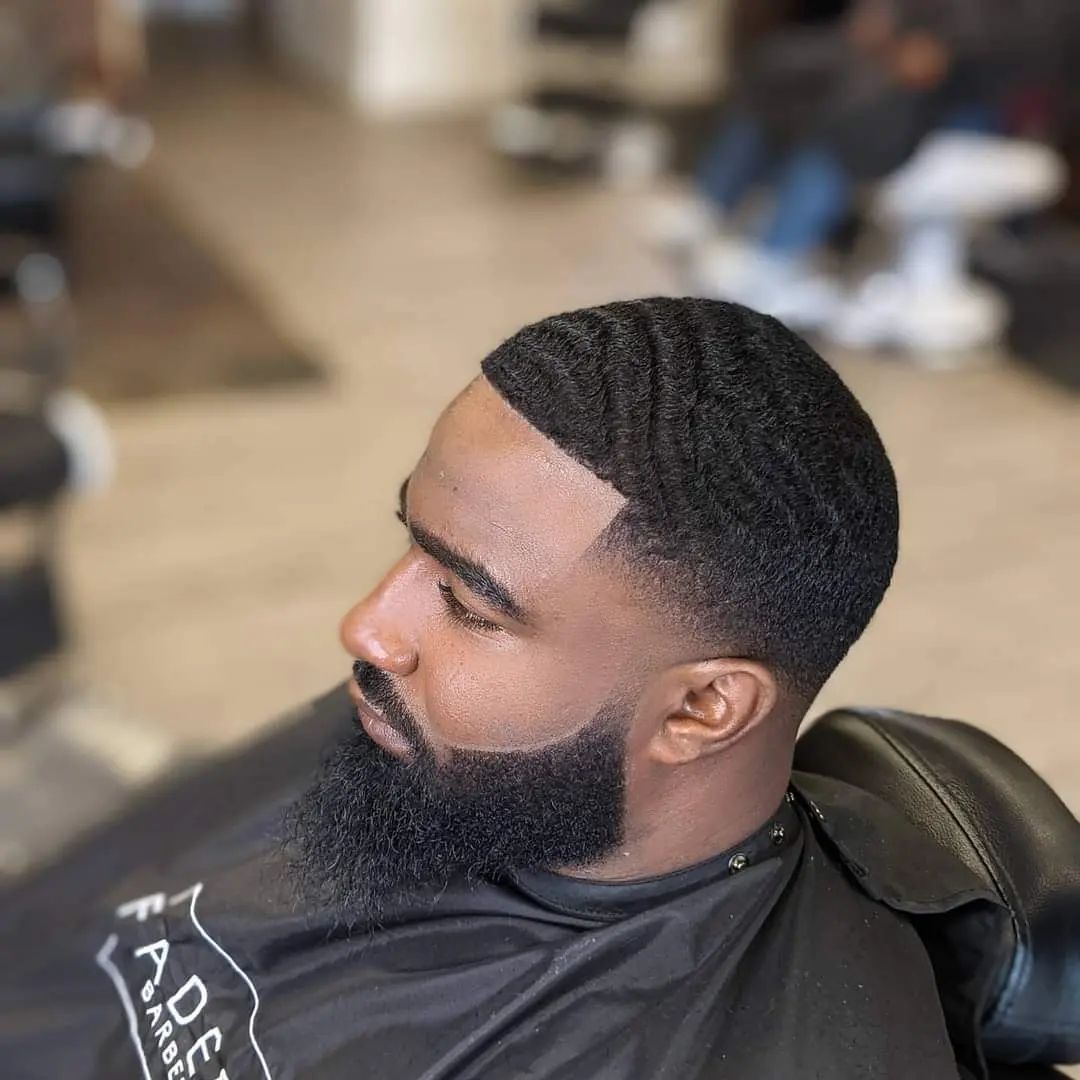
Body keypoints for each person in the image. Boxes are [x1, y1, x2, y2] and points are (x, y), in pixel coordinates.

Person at [2, 298, 1003, 1079]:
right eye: (411, 545)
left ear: (703, 710)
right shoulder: (435, 738)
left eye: (471, 607)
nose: (367, 626)